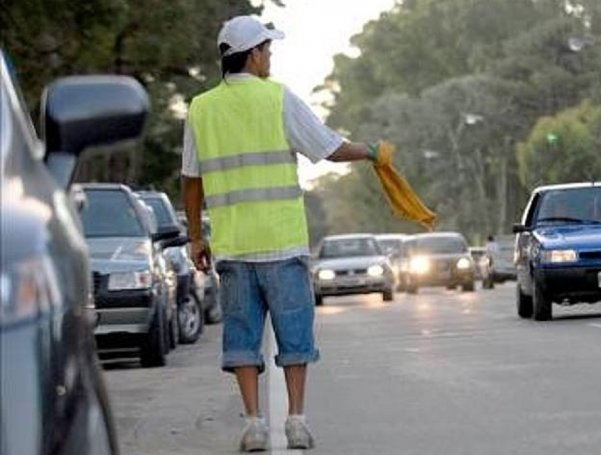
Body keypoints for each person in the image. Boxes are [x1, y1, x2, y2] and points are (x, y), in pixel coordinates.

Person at [181, 15, 384, 452]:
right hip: (282, 243)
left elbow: (191, 181)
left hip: (234, 248)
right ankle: (295, 420)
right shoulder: (277, 99)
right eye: (267, 50)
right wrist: (372, 152)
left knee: (241, 339)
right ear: (253, 54)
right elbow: (328, 147)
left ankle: (253, 424)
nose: (270, 57)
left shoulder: (200, 109)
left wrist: (196, 238)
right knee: (296, 337)